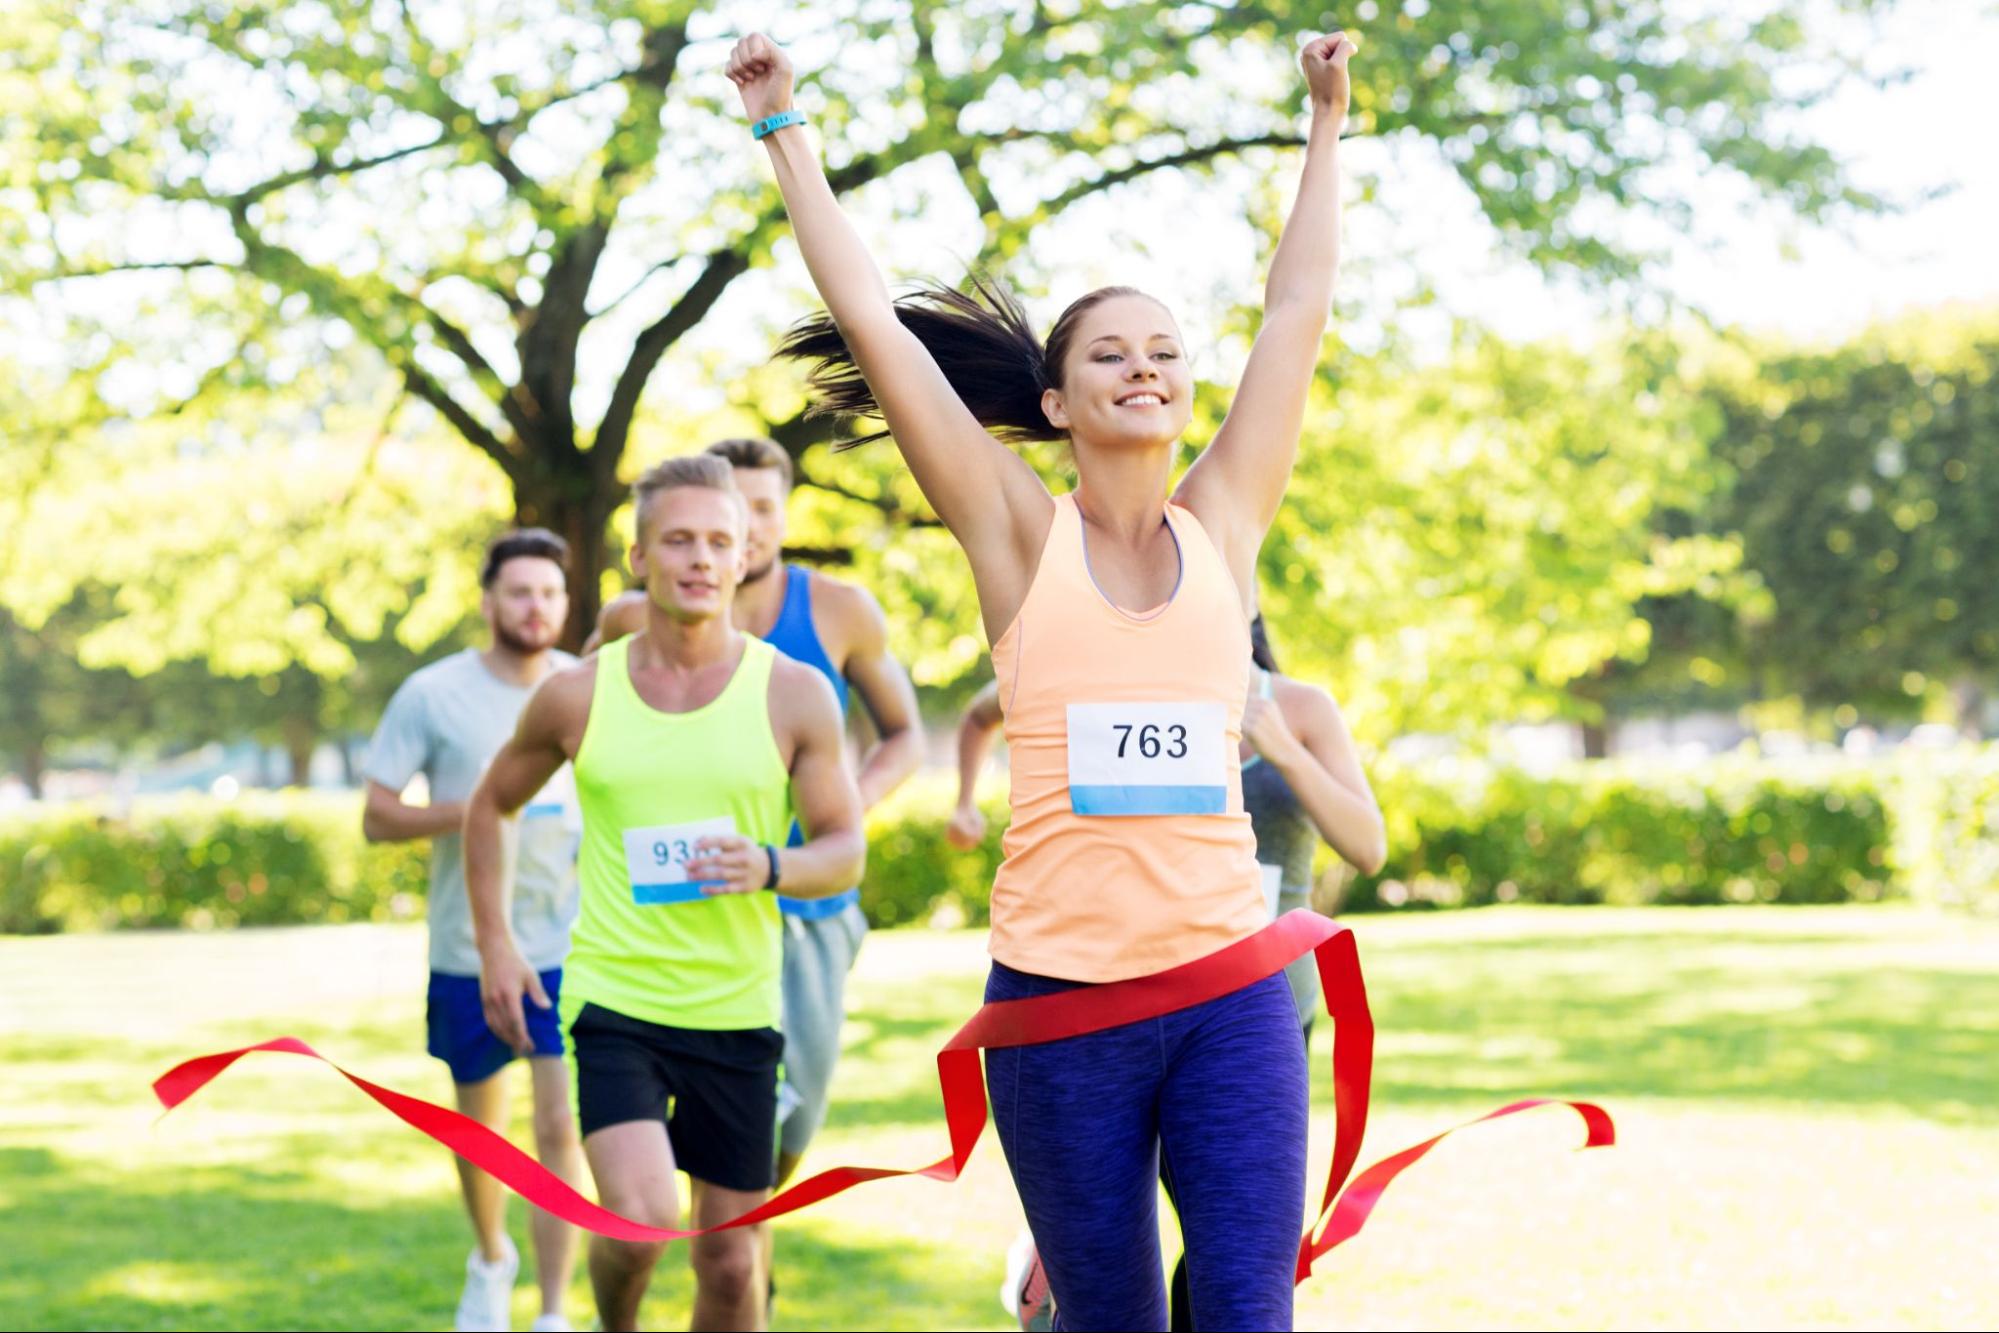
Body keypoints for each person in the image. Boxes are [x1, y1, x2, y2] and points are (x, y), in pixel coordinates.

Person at [728, 23, 1357, 1330]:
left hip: (1230, 990)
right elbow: (872, 323)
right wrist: (782, 129)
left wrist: (1323, 125)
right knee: (1107, 1313)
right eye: (1110, 353)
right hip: (1061, 1007)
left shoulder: (1223, 522)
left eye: (1165, 351)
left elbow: (1295, 313)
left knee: (1247, 1302)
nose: (1146, 366)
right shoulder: (1017, 534)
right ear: (1057, 402)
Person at [464, 456, 865, 1333]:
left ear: (745, 553)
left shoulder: (794, 694)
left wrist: (770, 865)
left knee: (728, 1264)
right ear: (639, 556)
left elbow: (844, 850)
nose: (700, 558)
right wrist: (496, 944)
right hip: (617, 998)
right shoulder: (577, 694)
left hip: (738, 1009)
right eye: (678, 539)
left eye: (720, 540)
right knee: (640, 1223)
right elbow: (489, 805)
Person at [956, 614, 1388, 1329]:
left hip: (1263, 1008)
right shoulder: (1098, 683)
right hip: (1115, 1002)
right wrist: (964, 799)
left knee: (1232, 1246)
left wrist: (1280, 746)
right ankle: (1060, 1242)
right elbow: (983, 716)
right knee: (1117, 1238)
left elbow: (1367, 846)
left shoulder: (1302, 706)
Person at [361, 528, 586, 1333]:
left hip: (568, 946)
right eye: (520, 591)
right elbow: (378, 815)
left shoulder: (583, 687)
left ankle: (556, 1311)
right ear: (489, 601)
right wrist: (489, 807)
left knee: (559, 1124)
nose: (536, 606)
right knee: (481, 1131)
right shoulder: (432, 692)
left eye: (550, 593)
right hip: (467, 947)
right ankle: (492, 1257)